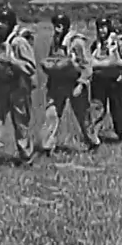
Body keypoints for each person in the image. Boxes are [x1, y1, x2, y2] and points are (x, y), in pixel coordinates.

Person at [0, 7, 37, 172]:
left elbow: (31, 66)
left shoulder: (19, 42)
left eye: (4, 22)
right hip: (2, 85)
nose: (1, 25)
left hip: (19, 87)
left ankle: (26, 156)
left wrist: (12, 61)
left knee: (21, 124)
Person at [36, 13, 100, 155]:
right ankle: (47, 147)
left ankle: (93, 142)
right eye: (55, 26)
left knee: (83, 116)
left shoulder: (76, 42)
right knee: (51, 114)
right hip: (58, 83)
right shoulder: (55, 41)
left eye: (60, 26)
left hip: (74, 83)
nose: (57, 29)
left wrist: (81, 84)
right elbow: (52, 60)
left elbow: (86, 65)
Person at [90, 16, 122, 141]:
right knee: (97, 109)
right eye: (99, 28)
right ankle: (94, 137)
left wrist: (121, 64)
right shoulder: (94, 45)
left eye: (104, 27)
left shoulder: (118, 43)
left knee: (118, 109)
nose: (102, 31)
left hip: (115, 81)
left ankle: (121, 133)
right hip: (99, 81)